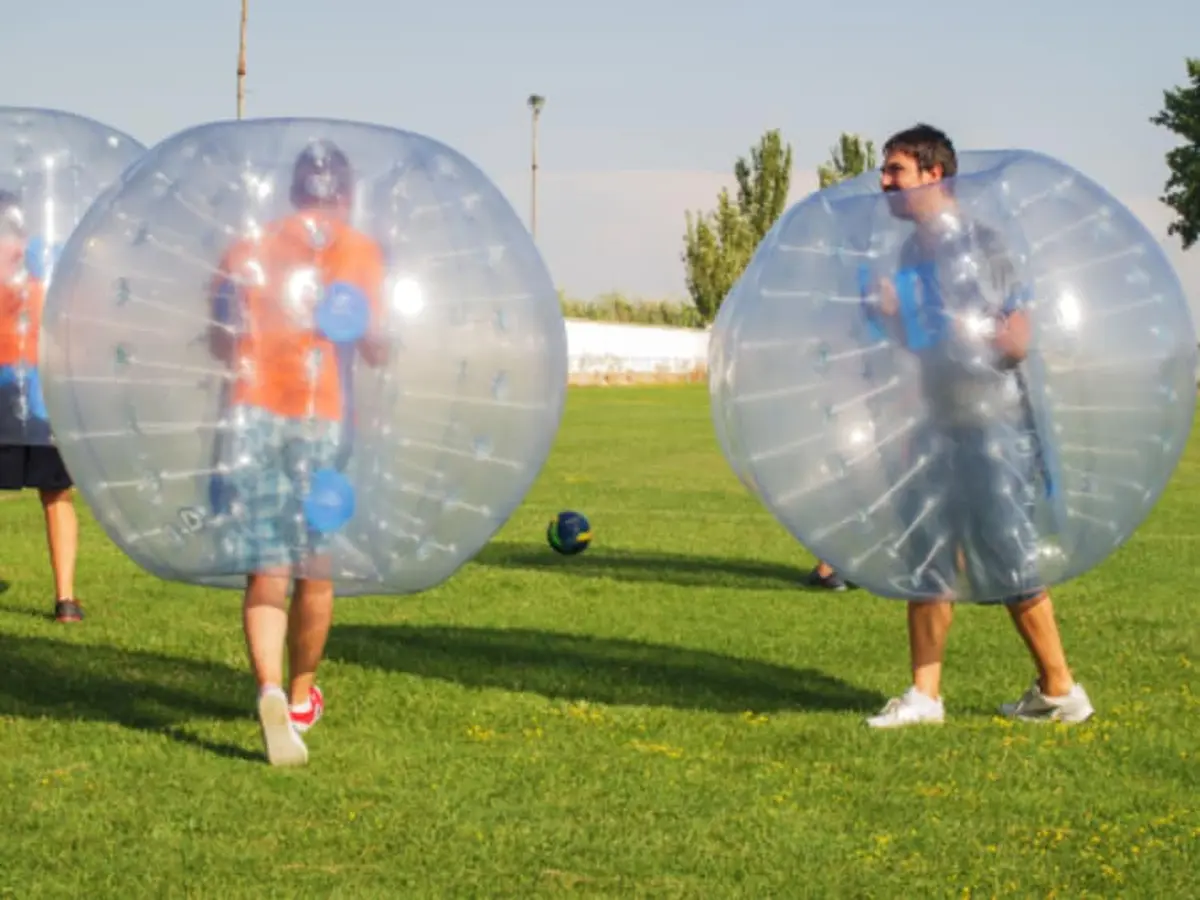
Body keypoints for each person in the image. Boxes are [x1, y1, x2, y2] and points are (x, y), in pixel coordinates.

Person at [854, 124, 1094, 728]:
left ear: (935, 174)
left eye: (895, 170)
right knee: (927, 552)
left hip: (993, 424)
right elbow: (928, 343)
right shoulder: (913, 252)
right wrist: (893, 318)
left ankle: (1061, 688)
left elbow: (1014, 342)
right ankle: (924, 696)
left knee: (1009, 556)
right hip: (939, 421)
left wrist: (955, 325)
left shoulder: (983, 244)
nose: (884, 182)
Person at [207, 141, 390, 766]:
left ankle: (267, 688)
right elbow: (375, 346)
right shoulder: (358, 250)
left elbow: (218, 337)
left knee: (266, 566)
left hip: (251, 413)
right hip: (321, 417)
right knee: (316, 563)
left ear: (293, 193)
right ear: (344, 194)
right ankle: (303, 693)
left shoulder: (248, 245)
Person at [0, 190, 81, 623]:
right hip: (37, 389)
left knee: (56, 493)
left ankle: (67, 598)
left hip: (25, 389)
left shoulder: (39, 272)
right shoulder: (42, 271)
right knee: (56, 495)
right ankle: (65, 598)